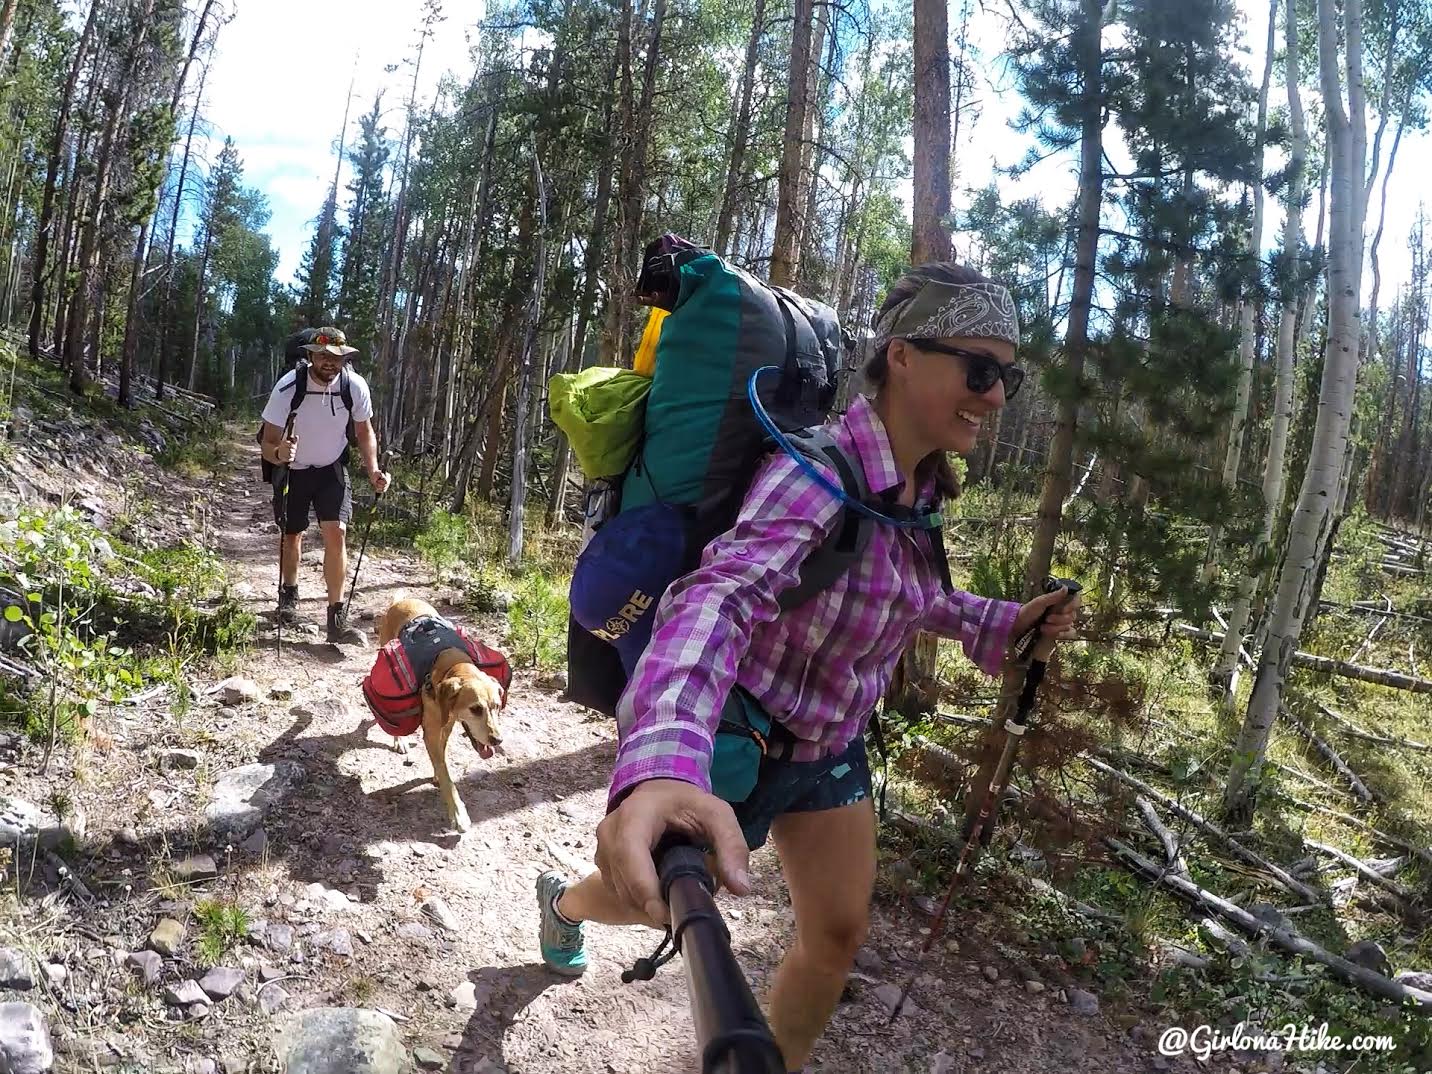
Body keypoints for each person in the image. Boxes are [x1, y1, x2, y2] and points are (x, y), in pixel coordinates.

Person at [535, 263, 1081, 1072]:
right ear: (901, 356)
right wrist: (660, 763)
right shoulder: (816, 471)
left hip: (830, 745)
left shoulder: (914, 492)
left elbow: (907, 597)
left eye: (1008, 375)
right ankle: (562, 904)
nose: (996, 395)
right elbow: (717, 597)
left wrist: (1002, 622)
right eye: (979, 369)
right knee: (645, 897)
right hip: (744, 737)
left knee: (835, 934)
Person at [259, 326, 390, 644]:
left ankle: (336, 616)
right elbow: (267, 440)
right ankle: (289, 597)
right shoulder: (288, 387)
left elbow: (364, 432)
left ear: (345, 358)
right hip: (294, 470)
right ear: (310, 356)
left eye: (337, 356)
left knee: (338, 533)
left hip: (331, 468)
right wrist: (279, 453)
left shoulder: (354, 386)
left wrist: (373, 469)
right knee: (293, 535)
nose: (329, 362)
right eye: (322, 356)